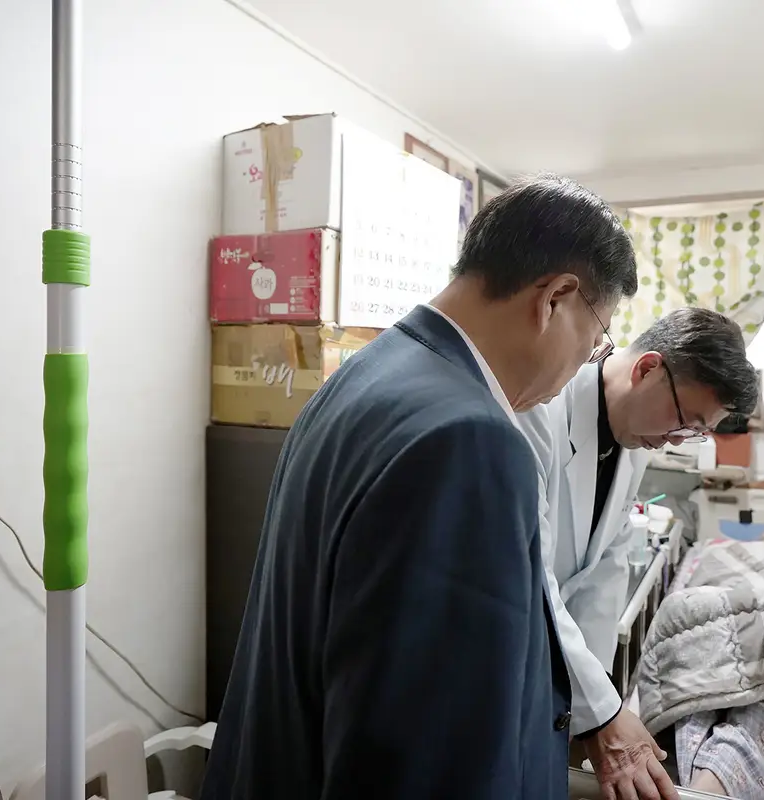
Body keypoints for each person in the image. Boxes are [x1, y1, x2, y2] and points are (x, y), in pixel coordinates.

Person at [201, 174, 638, 800]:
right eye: (595, 340)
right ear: (555, 299)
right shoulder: (473, 440)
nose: (582, 365)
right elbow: (436, 751)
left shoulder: (364, 374)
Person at [519, 308, 760, 800]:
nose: (675, 440)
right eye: (684, 421)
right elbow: (531, 575)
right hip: (512, 647)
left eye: (695, 433)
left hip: (556, 666)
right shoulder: (541, 411)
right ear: (648, 368)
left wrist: (594, 704)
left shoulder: (634, 439)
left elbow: (604, 568)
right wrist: (601, 713)